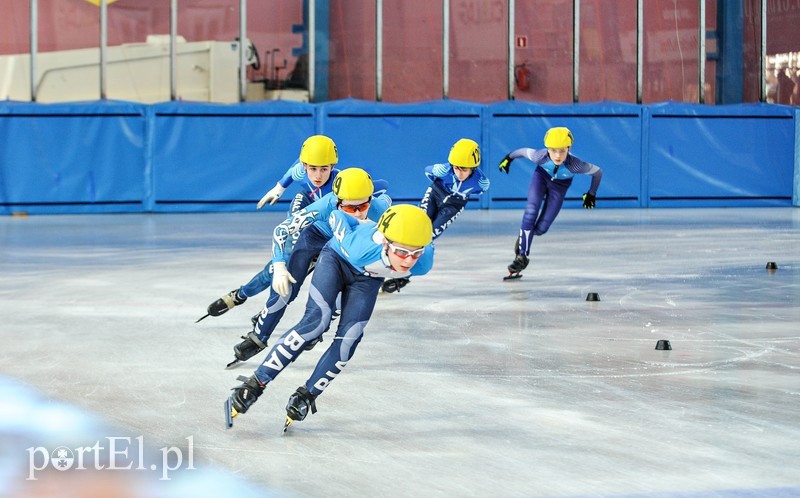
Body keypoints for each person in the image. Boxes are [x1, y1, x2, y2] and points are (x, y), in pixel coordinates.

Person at [225, 204, 434, 430]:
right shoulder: (359, 247)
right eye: (402, 252)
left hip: (368, 279)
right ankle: (255, 383)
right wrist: (359, 222)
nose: (408, 261)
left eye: (416, 253)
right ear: (385, 242)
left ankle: (307, 395)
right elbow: (336, 214)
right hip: (336, 260)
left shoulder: (423, 262)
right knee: (315, 323)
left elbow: (414, 251)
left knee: (350, 338)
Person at [226, 167, 392, 367]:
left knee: (338, 295)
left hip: (344, 247)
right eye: (348, 209)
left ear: (370, 200)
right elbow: (282, 230)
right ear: (337, 201)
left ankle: (318, 326)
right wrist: (279, 266)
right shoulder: (326, 204)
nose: (356, 213)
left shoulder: (380, 208)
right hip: (315, 237)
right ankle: (259, 336)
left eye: (363, 205)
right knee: (285, 289)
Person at [197, 134, 340, 323]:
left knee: (299, 272)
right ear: (305, 166)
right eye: (312, 169)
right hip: (306, 206)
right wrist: (279, 188)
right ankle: (242, 294)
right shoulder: (301, 171)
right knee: (277, 268)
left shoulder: (341, 184)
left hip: (327, 224)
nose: (318, 175)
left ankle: (260, 305)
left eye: (324, 169)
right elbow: (293, 170)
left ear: (332, 167)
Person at [381, 138, 489, 294]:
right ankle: (391, 258)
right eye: (456, 168)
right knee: (417, 228)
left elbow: (480, 191)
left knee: (428, 236)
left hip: (455, 205)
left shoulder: (481, 182)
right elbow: (428, 172)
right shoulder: (443, 170)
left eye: (464, 170)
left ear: (473, 168)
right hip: (435, 194)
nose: (459, 173)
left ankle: (405, 275)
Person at [498, 126, 603, 279]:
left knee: (540, 229)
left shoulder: (575, 165)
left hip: (559, 187)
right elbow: (523, 151)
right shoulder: (540, 156)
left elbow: (598, 172)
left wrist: (591, 194)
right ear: (547, 149)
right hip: (541, 178)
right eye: (553, 150)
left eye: (562, 150)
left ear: (569, 148)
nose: (558, 155)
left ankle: (524, 238)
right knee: (531, 211)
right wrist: (509, 158)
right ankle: (522, 256)